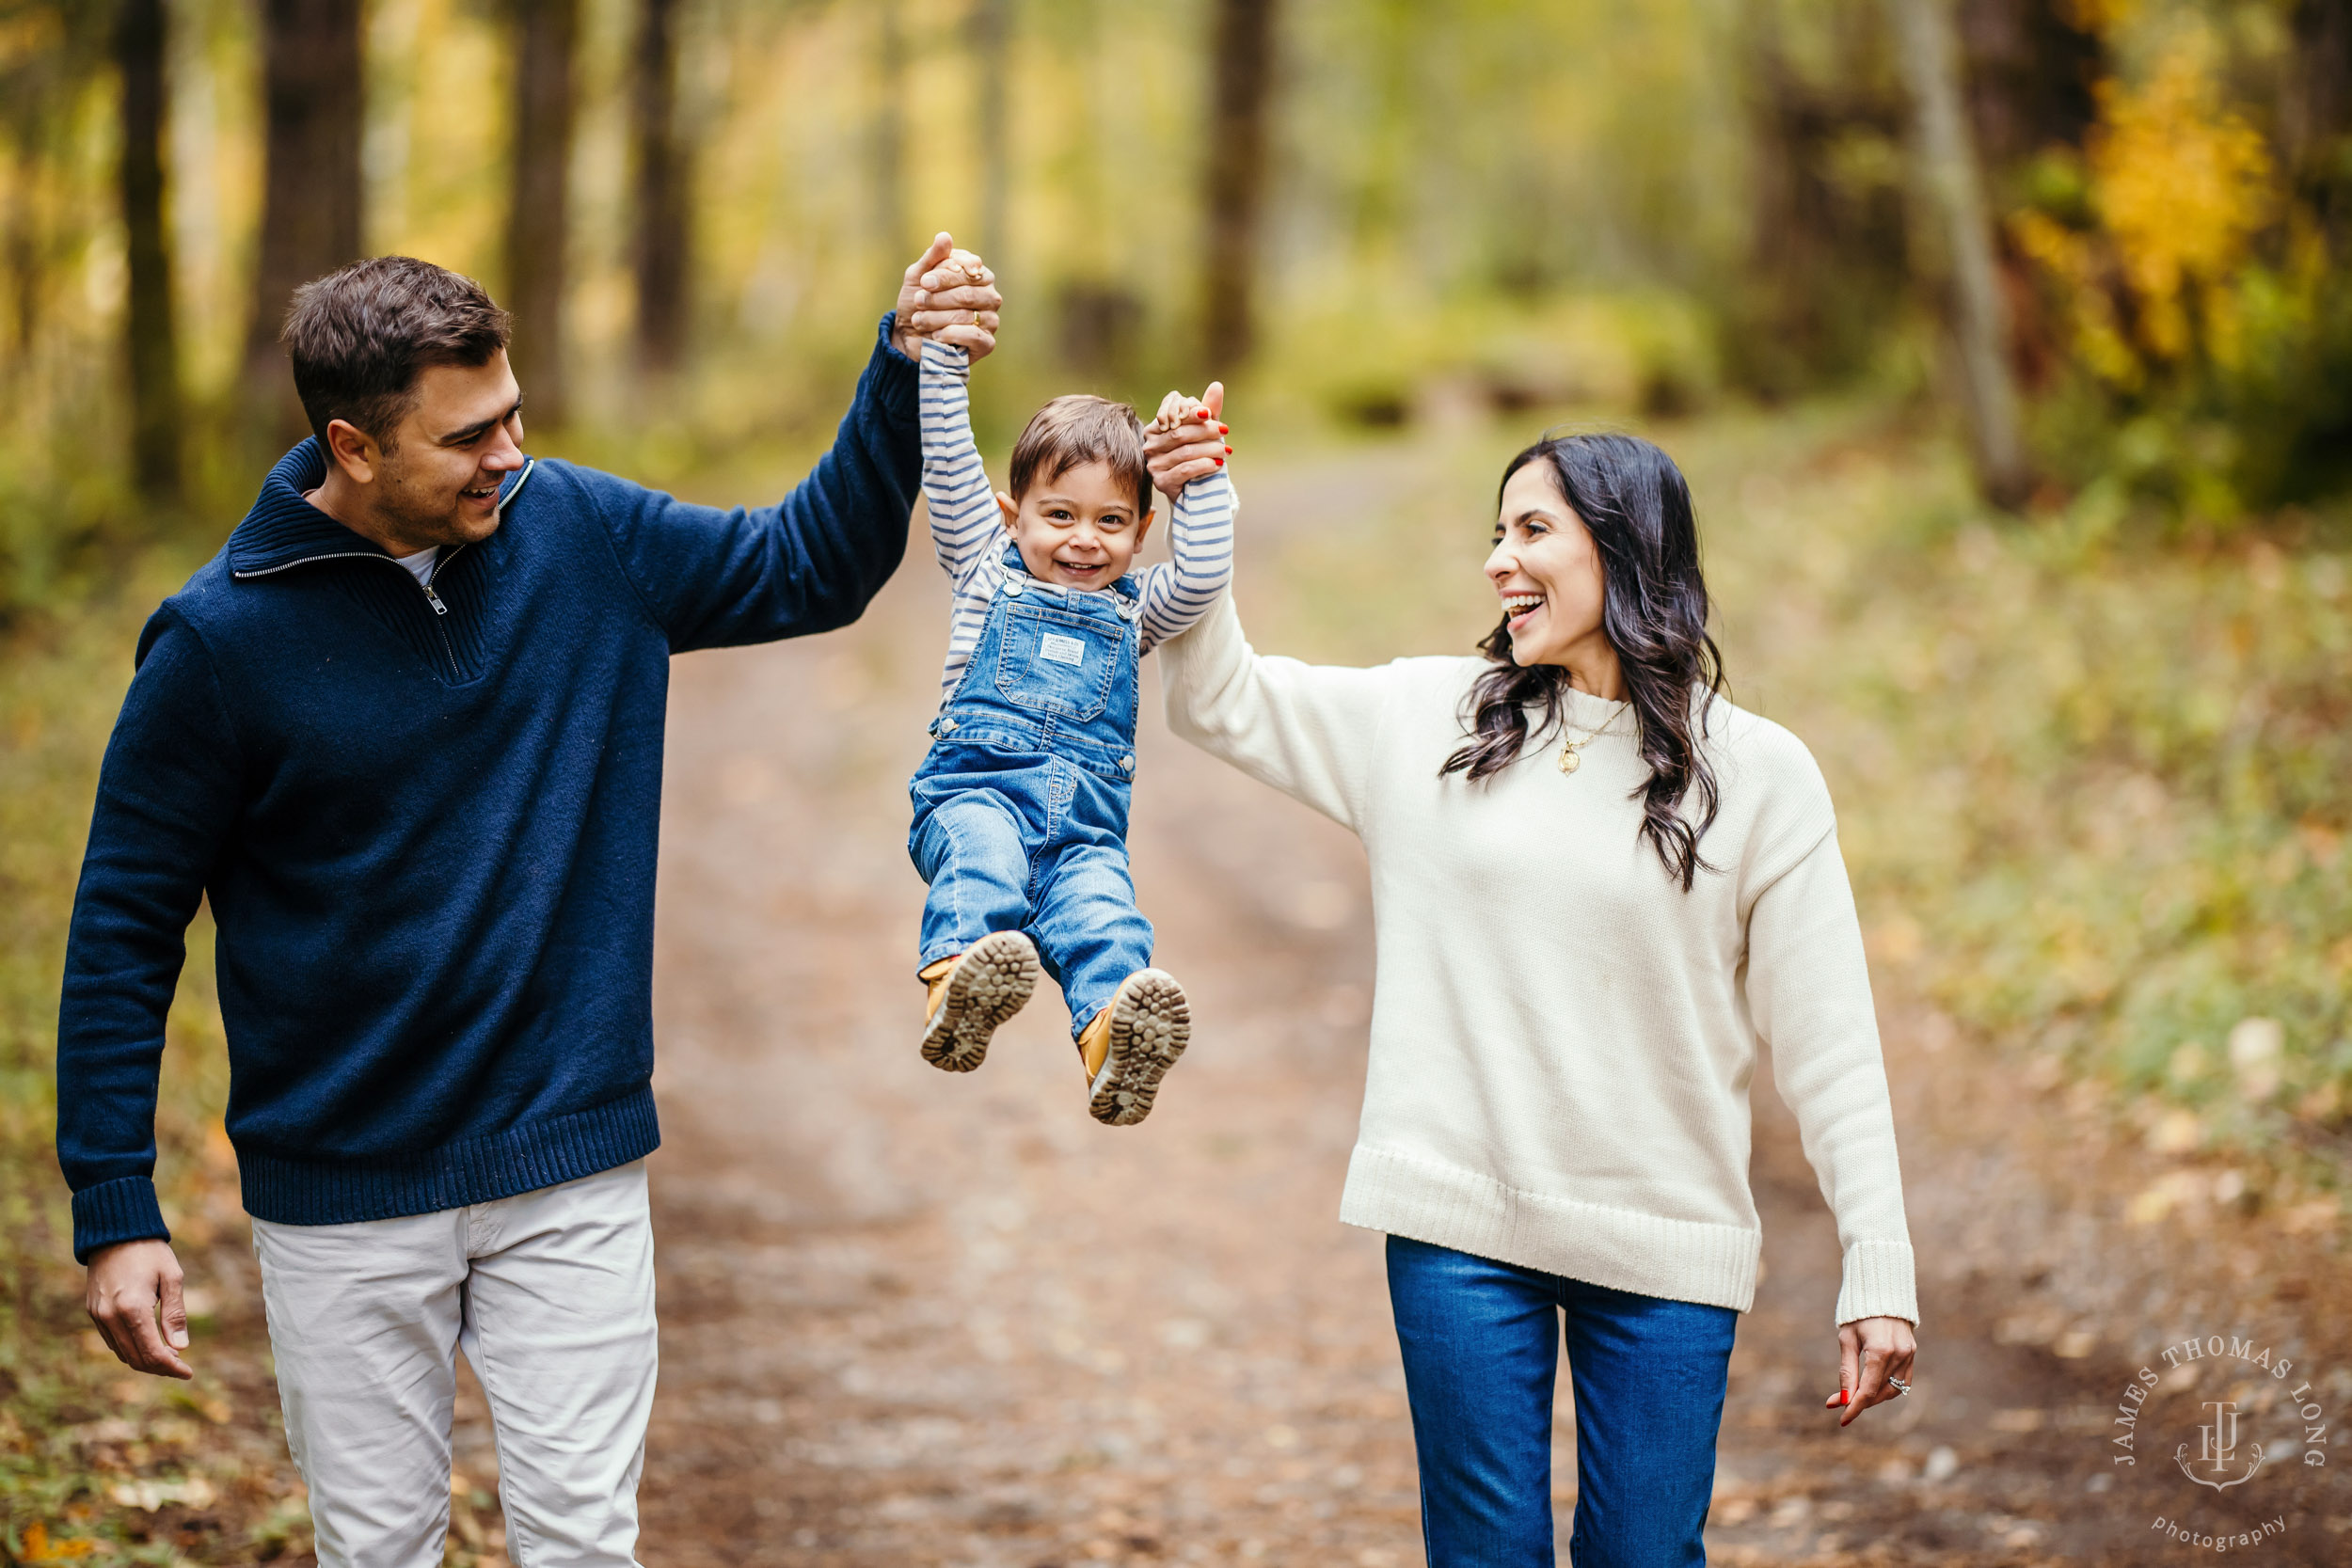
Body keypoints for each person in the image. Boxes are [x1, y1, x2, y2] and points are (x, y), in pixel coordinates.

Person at [56, 235, 1002, 1568]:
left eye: (513, 411)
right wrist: (114, 1201)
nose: (510, 451)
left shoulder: (581, 533)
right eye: (467, 436)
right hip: (344, 1192)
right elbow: (123, 925)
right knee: (377, 1548)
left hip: (568, 1161)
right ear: (355, 445)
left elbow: (808, 567)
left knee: (580, 1543)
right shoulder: (218, 645)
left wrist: (902, 369)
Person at [1141, 424, 1919, 1568]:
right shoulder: (1431, 721)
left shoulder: (1759, 774)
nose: (1500, 559)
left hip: (1666, 1242)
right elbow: (1219, 701)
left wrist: (1878, 1263)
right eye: (1495, 532)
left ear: (1624, 545)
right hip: (1462, 1228)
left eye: (1532, 530)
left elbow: (1830, 1043)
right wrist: (1202, 506)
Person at [903, 307, 1234, 1124]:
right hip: (975, 797)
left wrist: (1200, 474)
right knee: (983, 860)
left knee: (1107, 923)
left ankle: (1113, 1038)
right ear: (1014, 513)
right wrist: (944, 363)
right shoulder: (984, 561)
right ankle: (959, 982)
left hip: (1085, 836)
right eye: (1059, 515)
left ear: (1140, 530)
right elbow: (946, 462)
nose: (1085, 540)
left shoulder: (1137, 608)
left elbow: (1201, 576)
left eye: (1111, 521)